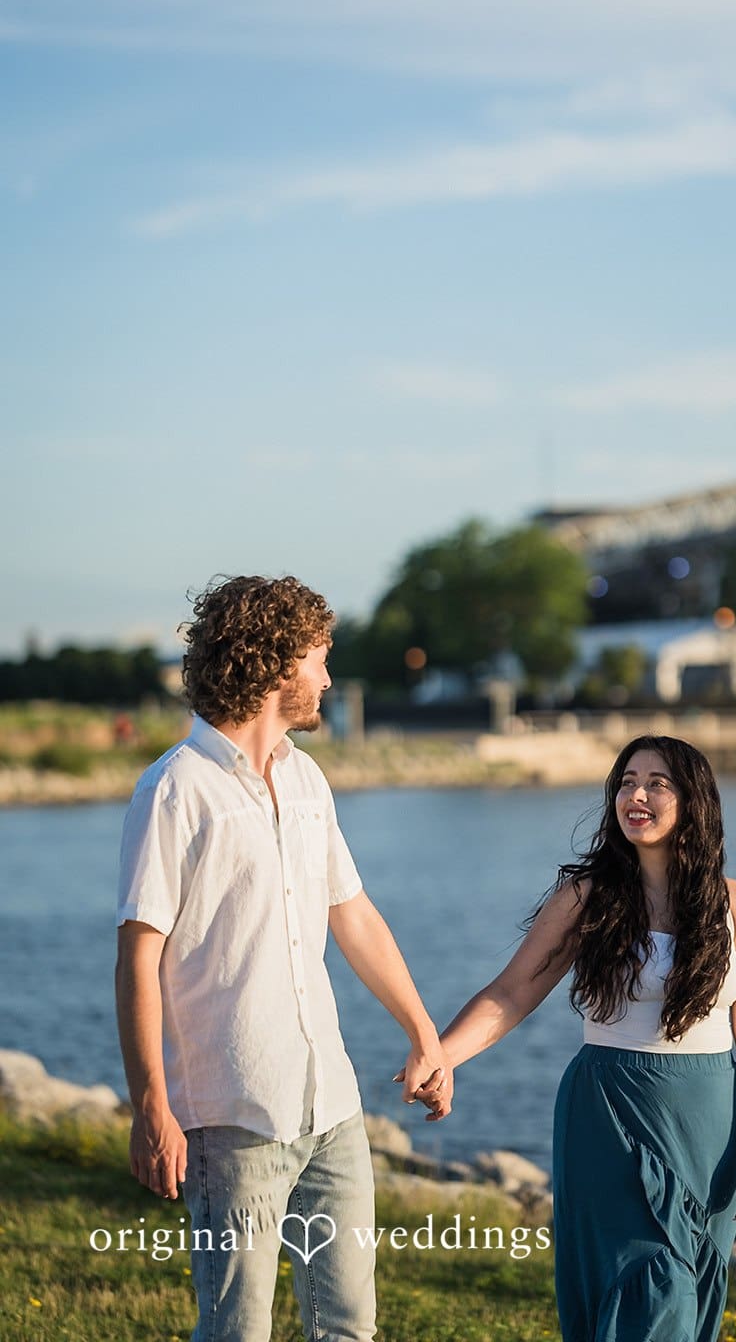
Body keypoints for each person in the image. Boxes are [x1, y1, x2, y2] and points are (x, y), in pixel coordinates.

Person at [115, 574, 452, 1342]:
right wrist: (150, 1106)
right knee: (237, 1332)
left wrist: (422, 1032)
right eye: (320, 658)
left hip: (329, 1106)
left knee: (350, 1328)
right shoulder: (175, 791)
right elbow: (138, 956)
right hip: (233, 1116)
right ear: (273, 663)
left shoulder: (306, 778)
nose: (328, 678)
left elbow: (353, 915)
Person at [420, 733, 736, 1342]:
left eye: (656, 784)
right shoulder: (588, 898)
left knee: (692, 1291)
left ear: (694, 802)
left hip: (711, 1125)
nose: (635, 795)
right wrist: (440, 1056)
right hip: (610, 1112)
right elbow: (511, 993)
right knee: (649, 1282)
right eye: (626, 782)